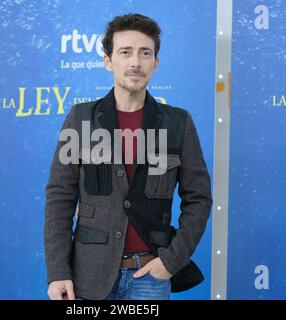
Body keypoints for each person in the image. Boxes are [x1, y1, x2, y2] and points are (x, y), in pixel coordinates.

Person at [45, 13, 212, 300]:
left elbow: (199, 197)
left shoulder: (178, 123)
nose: (135, 62)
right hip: (88, 278)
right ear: (108, 61)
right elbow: (60, 197)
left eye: (145, 53)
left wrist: (172, 261)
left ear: (155, 63)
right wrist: (58, 272)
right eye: (125, 52)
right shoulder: (81, 119)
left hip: (150, 277)